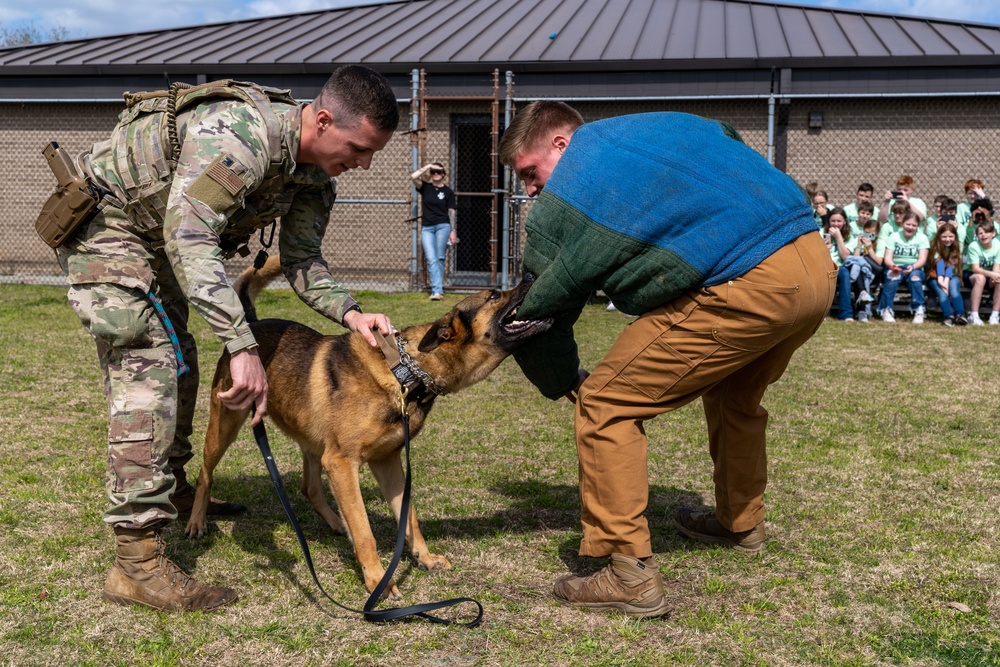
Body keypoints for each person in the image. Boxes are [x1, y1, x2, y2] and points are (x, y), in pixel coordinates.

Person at [48, 65, 400, 612]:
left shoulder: (313, 178)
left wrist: (351, 313)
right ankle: (136, 562)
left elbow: (303, 261)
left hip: (162, 239)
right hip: (112, 228)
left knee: (183, 359)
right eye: (358, 147)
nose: (364, 163)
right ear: (324, 120)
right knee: (149, 364)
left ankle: (178, 488)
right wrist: (242, 346)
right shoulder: (240, 135)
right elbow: (189, 234)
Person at [499, 101, 833, 618]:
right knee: (735, 393)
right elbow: (729, 143)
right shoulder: (664, 123)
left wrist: (563, 378)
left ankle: (627, 573)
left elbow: (542, 304)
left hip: (749, 281)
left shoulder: (567, 191)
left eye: (529, 172)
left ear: (561, 144)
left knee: (605, 404)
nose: (529, 190)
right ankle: (740, 521)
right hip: (812, 263)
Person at [410, 161, 458, 300]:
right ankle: (437, 290)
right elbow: (414, 177)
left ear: (444, 174)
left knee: (440, 258)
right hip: (427, 228)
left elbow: (451, 212)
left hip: (443, 226)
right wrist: (429, 166)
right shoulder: (426, 187)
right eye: (433, 172)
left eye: (439, 172)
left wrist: (453, 230)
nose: (436, 174)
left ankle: (437, 290)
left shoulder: (448, 192)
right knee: (431, 258)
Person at [876, 211, 930, 323]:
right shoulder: (894, 237)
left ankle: (919, 309)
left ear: (918, 226)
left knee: (915, 278)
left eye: (914, 225)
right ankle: (886, 310)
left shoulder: (922, 238)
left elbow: (922, 259)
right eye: (908, 224)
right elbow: (888, 258)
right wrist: (893, 266)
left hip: (915, 268)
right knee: (892, 277)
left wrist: (913, 267)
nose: (910, 227)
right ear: (903, 224)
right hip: (896, 266)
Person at [926, 222, 967, 326]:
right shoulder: (934, 245)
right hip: (935, 276)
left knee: (954, 290)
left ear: (955, 236)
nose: (947, 239)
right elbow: (939, 263)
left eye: (951, 236)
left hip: (952, 275)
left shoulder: (959, 245)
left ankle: (960, 315)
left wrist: (946, 280)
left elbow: (951, 263)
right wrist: (941, 281)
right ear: (939, 236)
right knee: (942, 293)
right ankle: (949, 316)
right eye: (944, 236)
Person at [964, 214, 1000, 325]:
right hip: (971, 274)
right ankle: (973, 315)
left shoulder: (998, 245)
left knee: (999, 280)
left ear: (993, 234)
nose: (983, 235)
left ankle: (994, 315)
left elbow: (996, 268)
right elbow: (975, 269)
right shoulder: (973, 246)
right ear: (977, 236)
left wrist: (995, 277)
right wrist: (992, 275)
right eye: (980, 233)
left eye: (986, 232)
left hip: (988, 274)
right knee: (980, 278)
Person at [826, 208, 860, 321]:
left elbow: (845, 257)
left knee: (844, 273)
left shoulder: (850, 236)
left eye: (839, 221)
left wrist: (839, 237)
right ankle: (821, 313)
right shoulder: (822, 232)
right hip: (824, 265)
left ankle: (846, 313)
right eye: (833, 221)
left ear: (845, 221)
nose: (836, 224)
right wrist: (824, 248)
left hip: (841, 266)